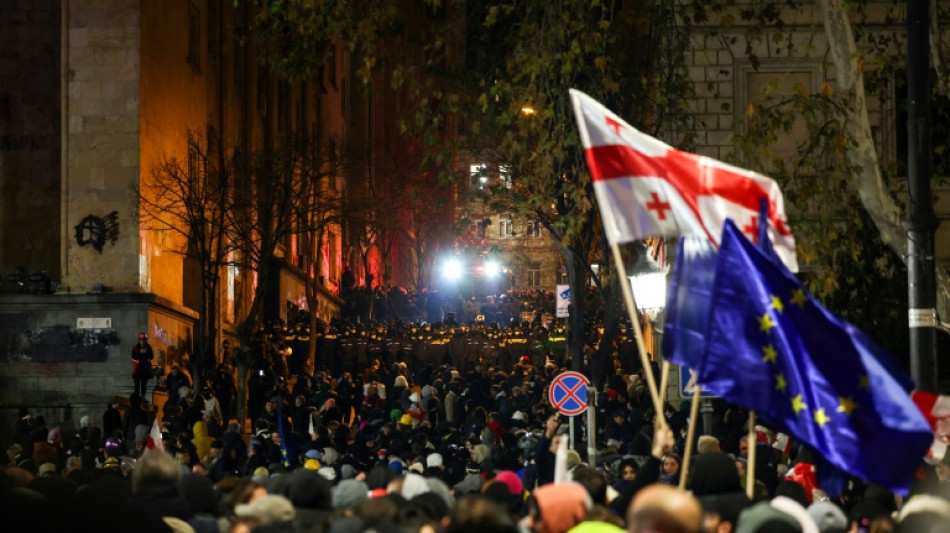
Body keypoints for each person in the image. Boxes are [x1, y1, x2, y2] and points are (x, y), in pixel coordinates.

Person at [131, 331, 155, 399]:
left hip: (145, 369)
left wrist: (147, 355)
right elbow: (133, 358)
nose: (142, 341)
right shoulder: (136, 348)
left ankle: (143, 397)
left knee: (144, 385)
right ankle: (136, 398)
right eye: (141, 340)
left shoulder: (148, 347)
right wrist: (139, 353)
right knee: (137, 386)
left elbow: (151, 356)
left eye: (143, 339)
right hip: (138, 370)